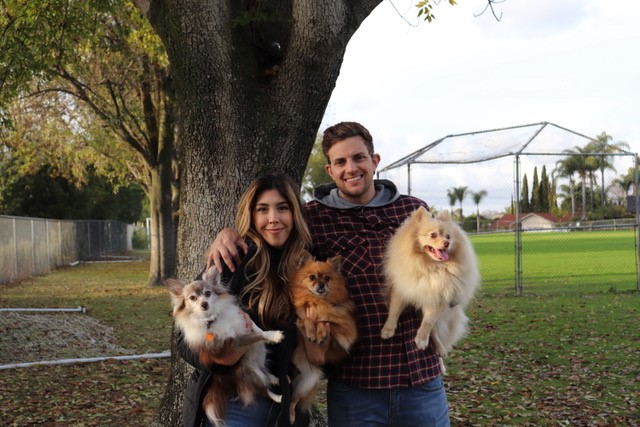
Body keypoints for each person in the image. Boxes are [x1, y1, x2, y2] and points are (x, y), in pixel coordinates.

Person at [209, 122, 451, 426]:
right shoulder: (314, 218)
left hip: (420, 377)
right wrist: (228, 234)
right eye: (340, 162)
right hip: (355, 386)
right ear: (330, 170)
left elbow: (449, 263)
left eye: (359, 158)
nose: (351, 168)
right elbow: (273, 233)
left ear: (374, 161)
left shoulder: (413, 211)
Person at [178, 173, 325, 427]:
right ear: (252, 216)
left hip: (284, 405)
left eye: (282, 208)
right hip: (233, 402)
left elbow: (324, 349)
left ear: (295, 213)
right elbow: (183, 342)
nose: (273, 218)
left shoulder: (310, 267)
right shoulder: (232, 260)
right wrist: (222, 355)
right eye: (263, 209)